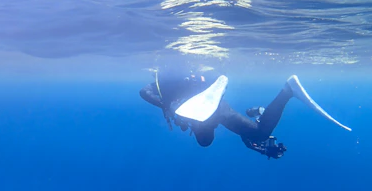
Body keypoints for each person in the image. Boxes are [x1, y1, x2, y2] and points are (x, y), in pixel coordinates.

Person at [140, 71, 351, 160]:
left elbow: (144, 92)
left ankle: (287, 91)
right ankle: (288, 90)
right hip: (216, 106)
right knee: (257, 133)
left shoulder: (167, 82)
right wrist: (248, 138)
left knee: (255, 133)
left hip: (204, 99)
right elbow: (240, 129)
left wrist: (166, 105)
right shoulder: (213, 117)